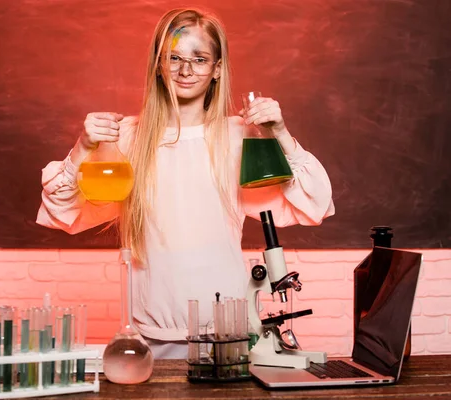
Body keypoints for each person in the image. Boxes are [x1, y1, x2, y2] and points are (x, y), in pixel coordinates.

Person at [36, 8, 335, 359]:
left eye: (200, 58)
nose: (186, 70)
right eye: (174, 58)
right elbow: (63, 212)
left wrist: (280, 133)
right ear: (159, 66)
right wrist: (83, 148)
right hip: (150, 335)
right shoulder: (128, 138)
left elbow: (314, 204)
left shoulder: (239, 137)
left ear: (217, 69)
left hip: (227, 332)